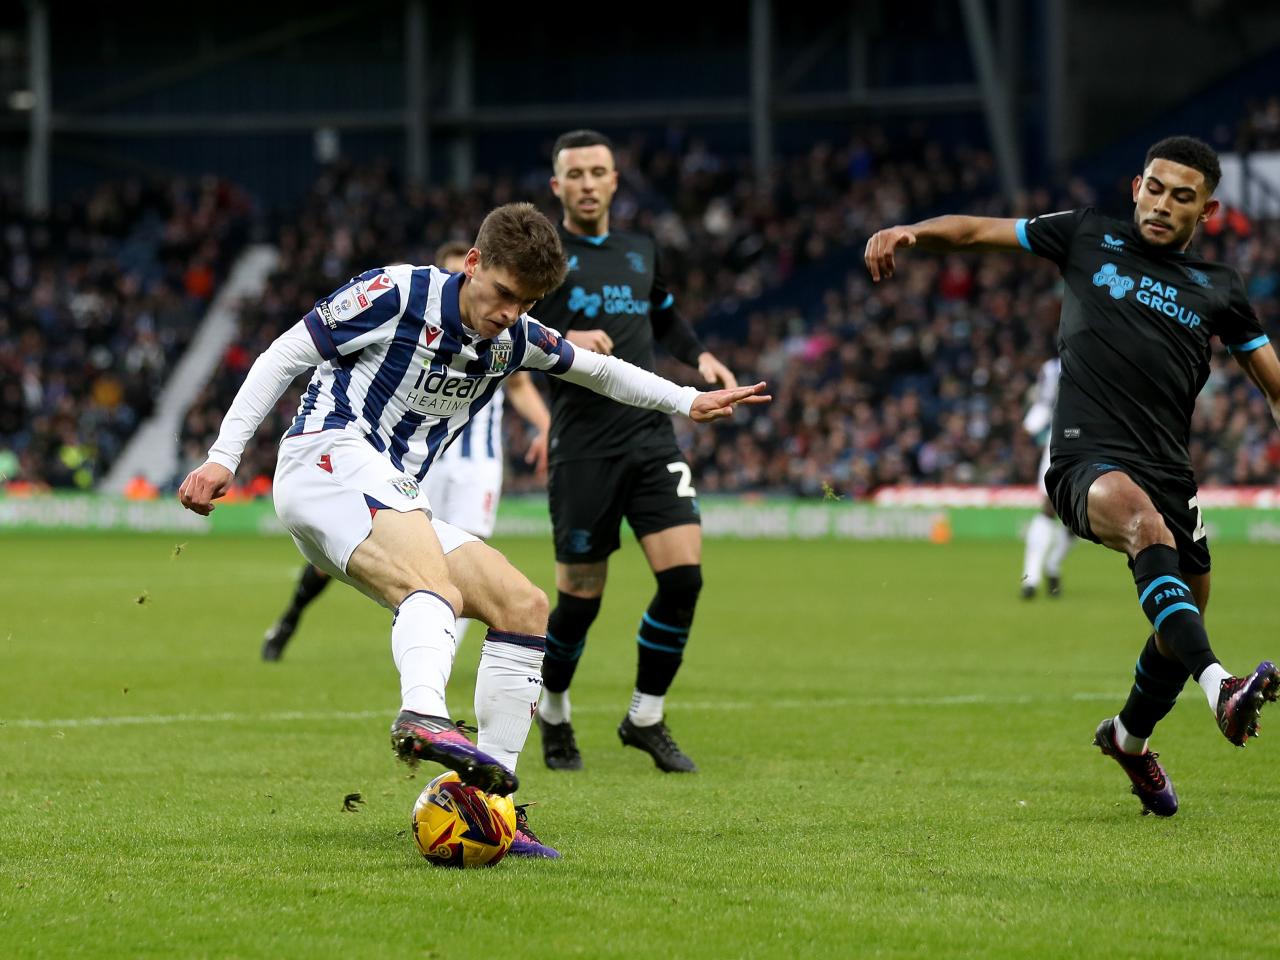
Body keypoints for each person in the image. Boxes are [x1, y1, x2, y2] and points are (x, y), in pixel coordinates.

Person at [178, 203, 769, 857]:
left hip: (388, 495)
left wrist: (689, 401)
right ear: (473, 264)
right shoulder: (397, 292)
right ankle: (424, 714)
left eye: (527, 303)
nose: (509, 314)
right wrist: (223, 456)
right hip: (328, 458)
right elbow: (284, 353)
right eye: (504, 295)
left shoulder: (514, 338)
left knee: (523, 605)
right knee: (434, 584)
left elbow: (599, 370)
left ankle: (494, 810)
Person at [865, 136, 1280, 817]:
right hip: (1087, 459)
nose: (1162, 203)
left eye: (1182, 196)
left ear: (1206, 211)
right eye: (1155, 187)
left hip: (1170, 471)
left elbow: (1274, 386)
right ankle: (1222, 686)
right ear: (1136, 187)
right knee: (1147, 532)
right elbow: (974, 231)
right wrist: (915, 231)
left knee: (1181, 617)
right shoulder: (1087, 235)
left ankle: (1129, 739)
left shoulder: (1221, 290)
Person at [530, 130, 741, 774]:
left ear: (616, 181)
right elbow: (501, 322)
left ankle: (645, 715)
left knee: (684, 578)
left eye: (600, 172)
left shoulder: (639, 251)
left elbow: (665, 314)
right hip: (583, 448)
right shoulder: (540, 255)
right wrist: (561, 336)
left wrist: (699, 354)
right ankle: (555, 710)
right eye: (577, 174)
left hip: (651, 438)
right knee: (580, 602)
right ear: (557, 187)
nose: (589, 183)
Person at [260, 241, 553, 660]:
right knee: (376, 546)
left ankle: (436, 660)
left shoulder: (502, 338)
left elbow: (524, 384)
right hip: (420, 457)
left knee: (471, 564)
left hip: (477, 465)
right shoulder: (421, 318)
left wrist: (545, 426)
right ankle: (295, 615)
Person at [1020, 356, 1075, 599]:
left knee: (1077, 520)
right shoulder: (1054, 368)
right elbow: (1043, 404)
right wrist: (1030, 427)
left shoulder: (1106, 358)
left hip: (1094, 441)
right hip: (1064, 438)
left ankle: (1052, 565)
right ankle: (1030, 578)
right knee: (1049, 506)